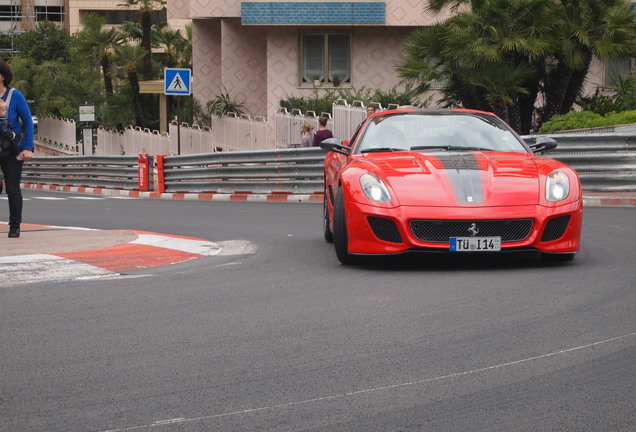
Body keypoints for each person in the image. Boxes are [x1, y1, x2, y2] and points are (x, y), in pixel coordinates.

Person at [0, 59, 34, 238]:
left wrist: (28, 148)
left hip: (11, 151)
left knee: (13, 189)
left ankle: (15, 226)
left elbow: (28, 122)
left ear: (3, 76)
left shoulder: (15, 96)